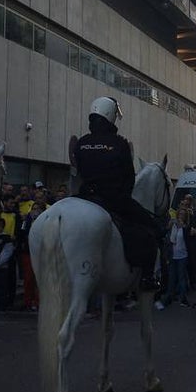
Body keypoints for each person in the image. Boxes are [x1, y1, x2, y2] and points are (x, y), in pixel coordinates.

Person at [74, 96, 160, 292]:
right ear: (111, 115)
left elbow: (79, 172)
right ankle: (148, 277)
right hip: (114, 198)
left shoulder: (81, 143)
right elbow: (129, 177)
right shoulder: (119, 143)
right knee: (151, 230)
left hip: (86, 196)